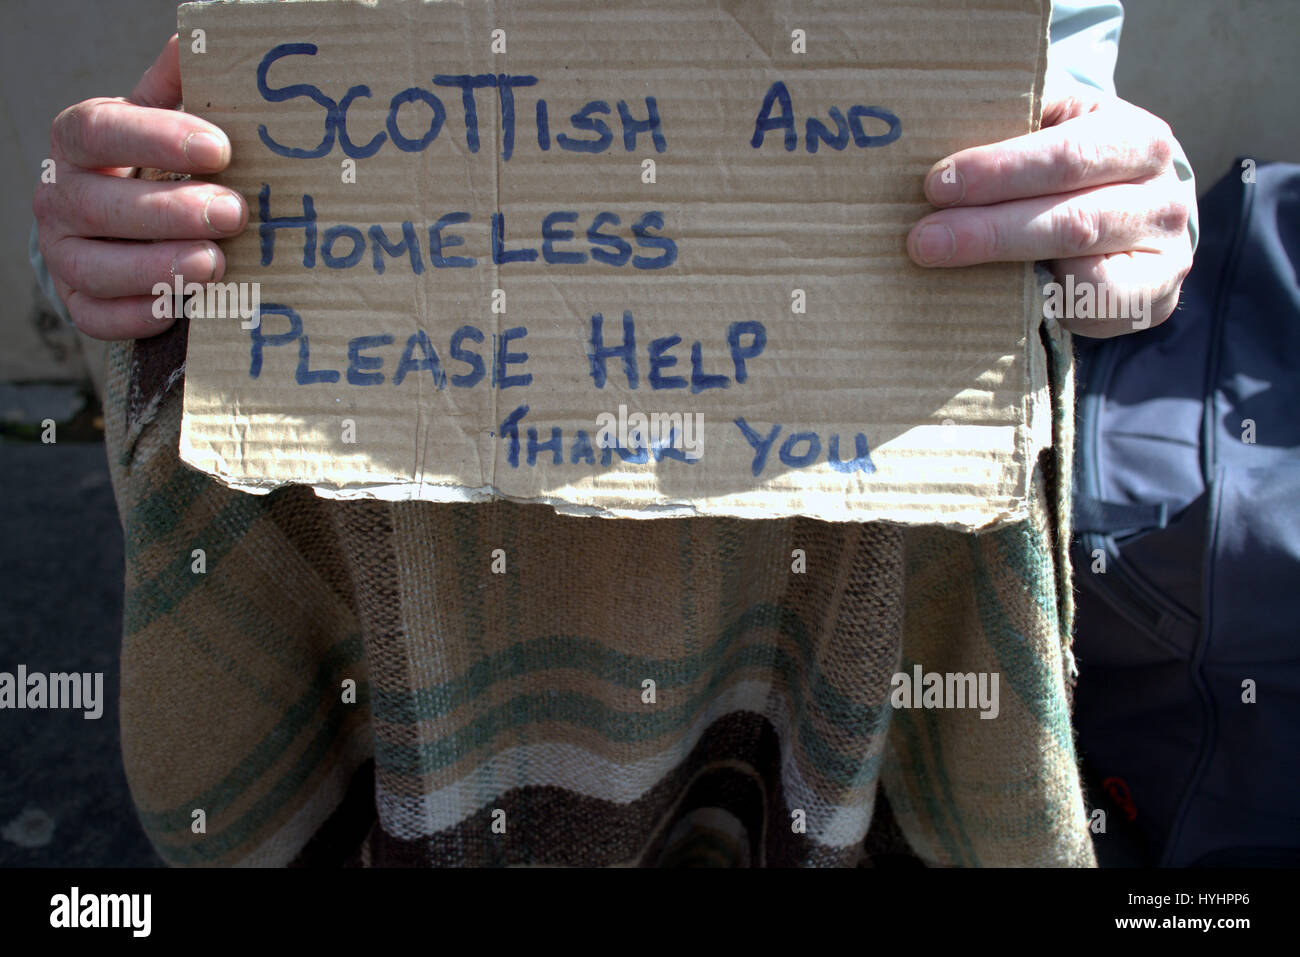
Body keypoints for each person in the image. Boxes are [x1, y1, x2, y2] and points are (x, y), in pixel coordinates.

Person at [29, 1, 1198, 867]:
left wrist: (1129, 205)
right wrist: (111, 221)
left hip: (839, 518)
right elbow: (208, 111)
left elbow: (1062, 93)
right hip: (379, 505)